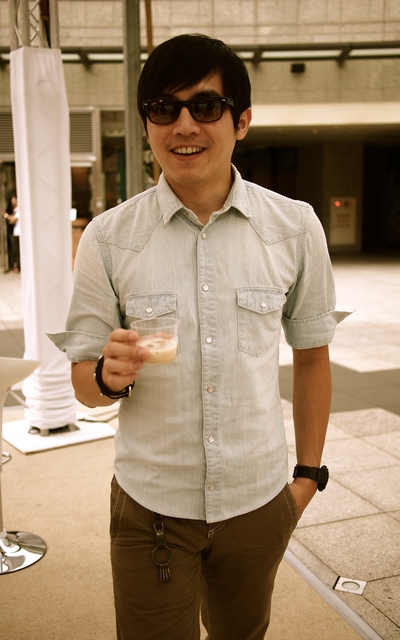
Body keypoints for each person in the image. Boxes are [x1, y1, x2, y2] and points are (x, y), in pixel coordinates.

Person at [49, 34, 349, 640]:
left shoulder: (294, 228)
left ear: (242, 121)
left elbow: (312, 356)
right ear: (147, 124)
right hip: (150, 506)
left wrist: (306, 479)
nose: (184, 125)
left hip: (258, 501)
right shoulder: (108, 238)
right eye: (164, 108)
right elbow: (83, 383)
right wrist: (107, 376)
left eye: (206, 106)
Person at [3, 194, 20, 272]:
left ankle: (18, 266)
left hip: (19, 232)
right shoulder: (15, 210)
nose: (12, 202)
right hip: (16, 232)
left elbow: (13, 219)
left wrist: (5, 215)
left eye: (13, 200)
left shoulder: (20, 209)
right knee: (15, 250)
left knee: (18, 251)